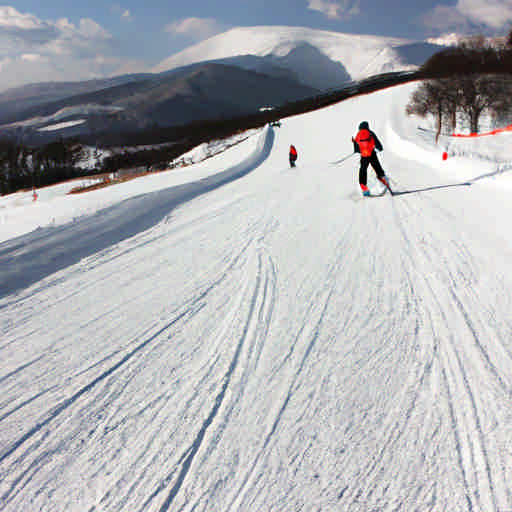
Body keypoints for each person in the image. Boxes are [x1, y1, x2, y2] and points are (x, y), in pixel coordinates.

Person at [352, 121, 391, 196]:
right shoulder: (370, 133)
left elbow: (357, 149)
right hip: (372, 154)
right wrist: (379, 148)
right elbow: (378, 145)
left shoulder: (358, 134)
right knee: (378, 168)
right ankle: (384, 184)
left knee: (363, 170)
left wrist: (357, 148)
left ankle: (364, 189)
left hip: (364, 156)